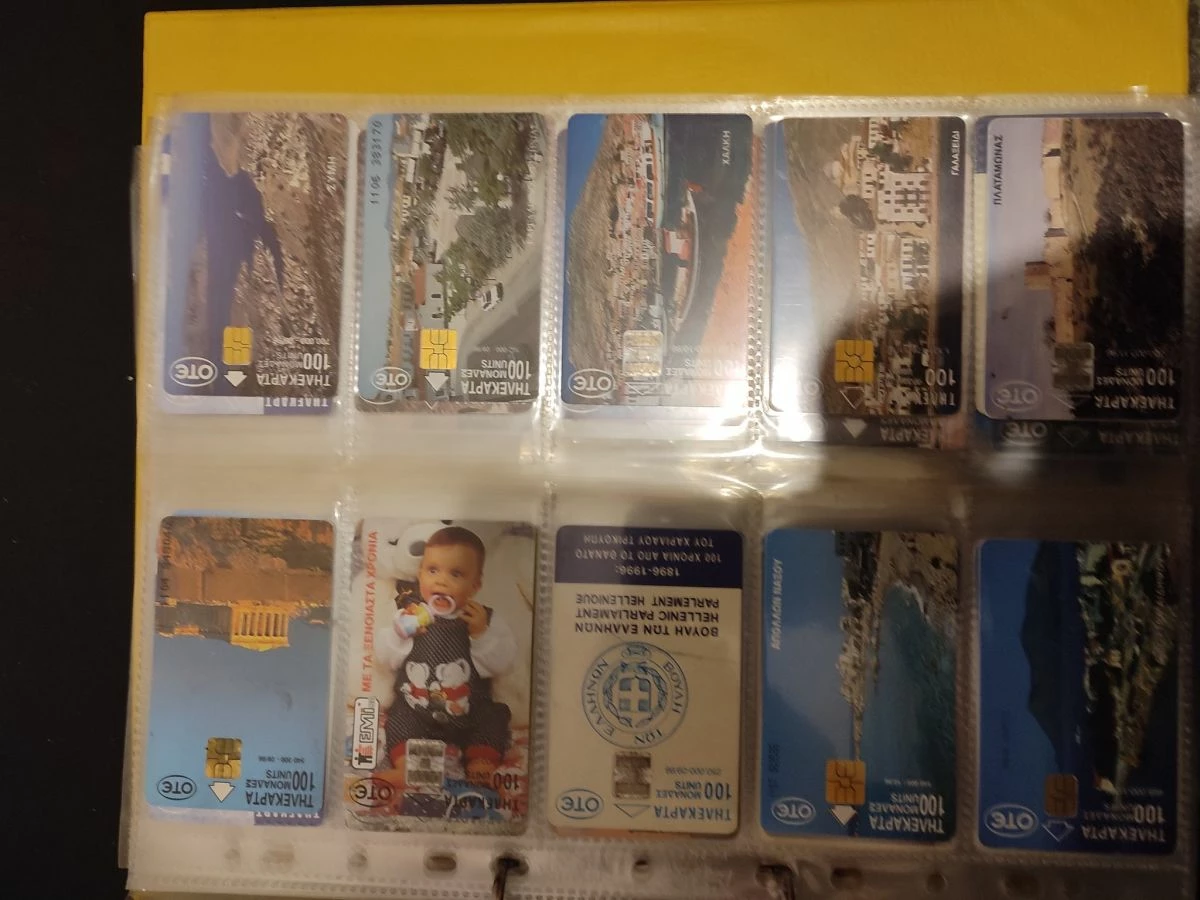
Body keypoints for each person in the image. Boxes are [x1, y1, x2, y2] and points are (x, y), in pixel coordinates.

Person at [378, 526, 517, 787]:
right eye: (433, 570)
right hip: (417, 709)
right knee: (399, 719)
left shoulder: (483, 620)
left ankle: (481, 766)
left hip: (470, 712)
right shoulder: (408, 616)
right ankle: (408, 768)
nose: (441, 581)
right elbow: (385, 658)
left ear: (475, 585)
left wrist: (481, 635)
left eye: (456, 574)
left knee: (493, 718)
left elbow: (503, 663)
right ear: (420, 575)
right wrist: (399, 636)